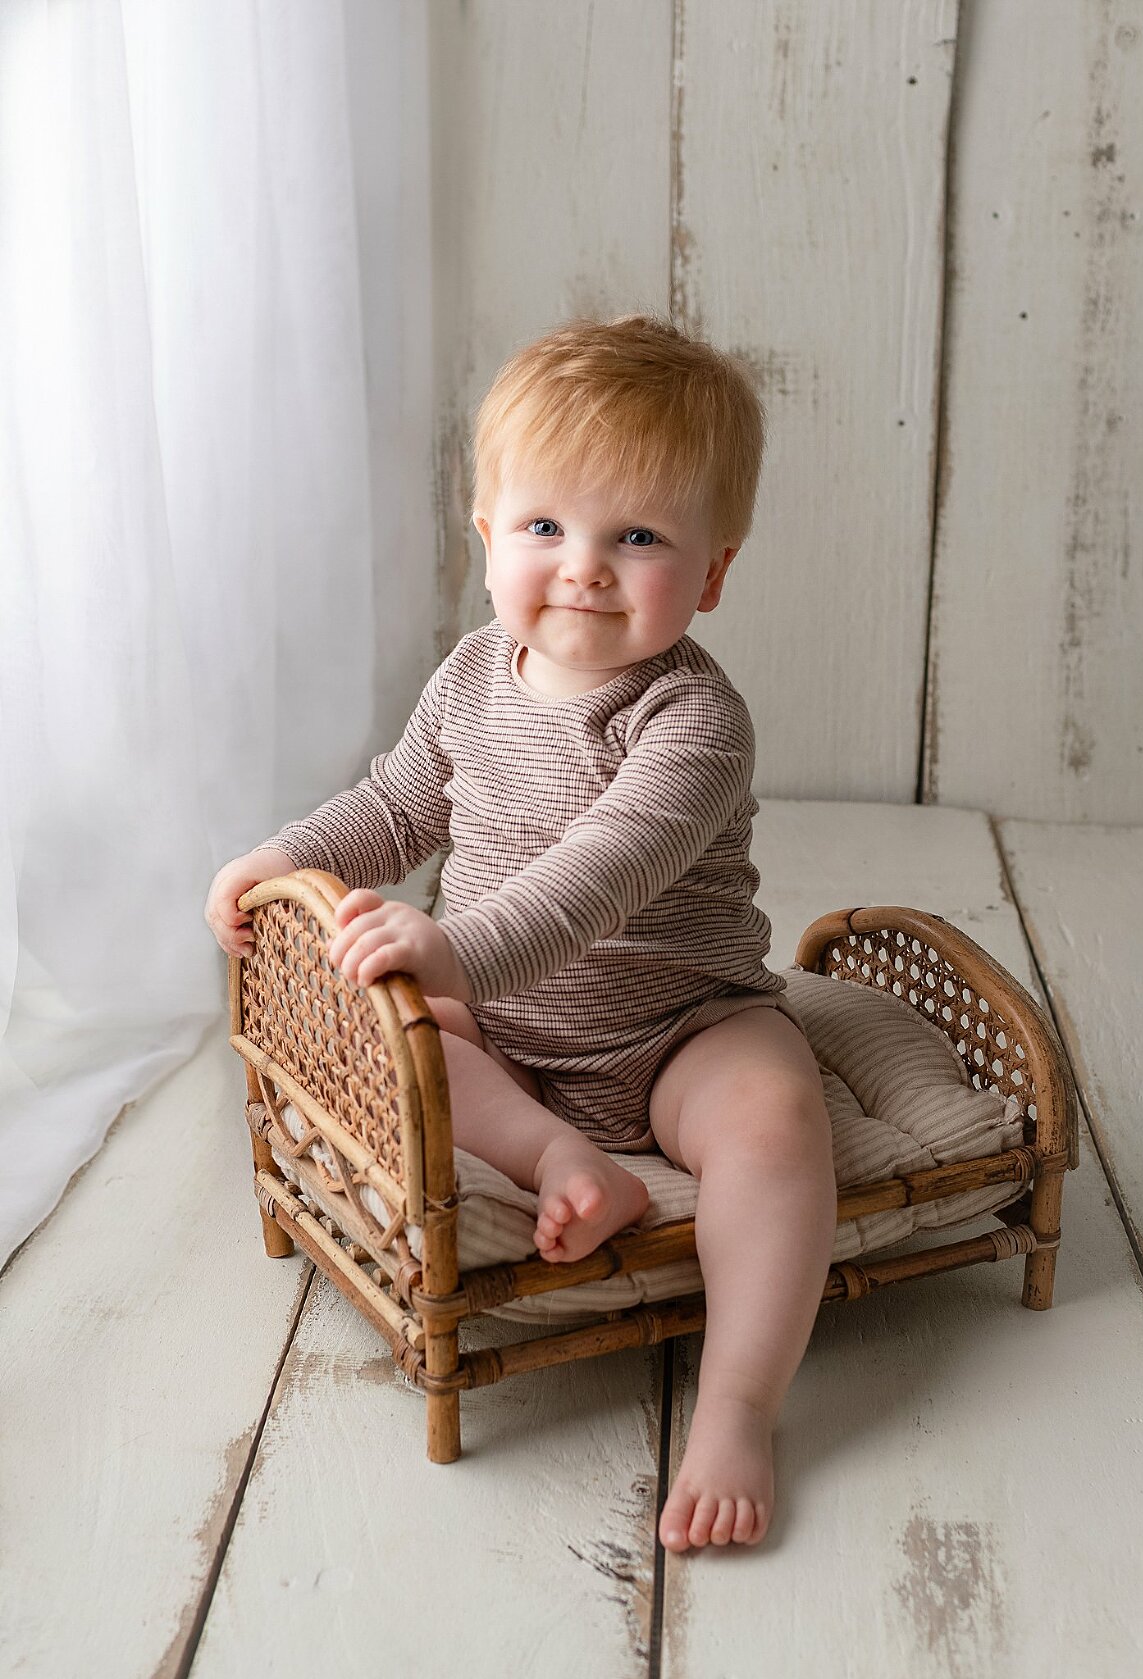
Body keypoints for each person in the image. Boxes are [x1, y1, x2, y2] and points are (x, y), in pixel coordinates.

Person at [205, 313, 837, 1554]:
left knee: (776, 1121)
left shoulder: (693, 723)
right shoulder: (471, 676)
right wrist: (291, 857)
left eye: (638, 536)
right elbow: (396, 802)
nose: (585, 567)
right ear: (488, 532)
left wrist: (449, 944)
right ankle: (561, 1163)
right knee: (414, 1048)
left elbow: (597, 880)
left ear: (711, 573)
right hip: (501, 1031)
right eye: (546, 526)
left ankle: (738, 1401)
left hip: (674, 1031)